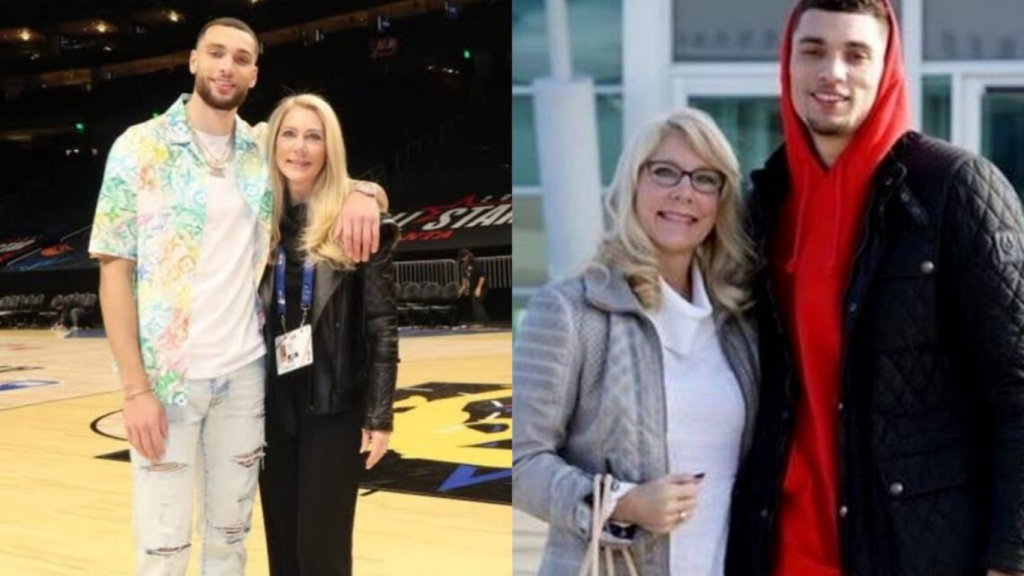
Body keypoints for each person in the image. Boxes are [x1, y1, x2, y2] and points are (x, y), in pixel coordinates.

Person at [725, 1, 1024, 575]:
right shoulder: (765, 203)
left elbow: (1017, 387)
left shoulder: (954, 189)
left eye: (855, 54)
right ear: (787, 63)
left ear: (886, 67)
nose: (831, 72)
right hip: (783, 551)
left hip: (918, 553)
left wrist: (1009, 559)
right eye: (812, 50)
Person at [88, 18, 384, 575]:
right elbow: (113, 274)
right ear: (194, 60)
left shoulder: (258, 147)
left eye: (241, 58)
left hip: (246, 379)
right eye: (216, 53)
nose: (227, 66)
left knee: (231, 539)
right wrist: (134, 389)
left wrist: (365, 191)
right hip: (169, 381)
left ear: (254, 73)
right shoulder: (139, 148)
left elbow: (320, 170)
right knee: (164, 545)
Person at [513, 108, 759, 576]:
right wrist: (622, 504)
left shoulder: (739, 325)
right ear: (632, 183)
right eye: (664, 171)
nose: (684, 192)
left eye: (705, 179)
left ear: (721, 200)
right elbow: (521, 462)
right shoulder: (570, 310)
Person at [256, 93, 398, 576]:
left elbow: (382, 327)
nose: (300, 147)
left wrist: (379, 415)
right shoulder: (255, 219)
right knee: (282, 547)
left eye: (314, 136)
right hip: (270, 406)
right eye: (290, 134)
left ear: (329, 148)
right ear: (273, 142)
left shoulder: (355, 221)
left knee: (323, 551)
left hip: (333, 406)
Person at [458, 248, 489, 326]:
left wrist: (479, 288)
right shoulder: (464, 265)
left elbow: (482, 276)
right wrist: (464, 288)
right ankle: (481, 322)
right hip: (473, 287)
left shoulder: (476, 263)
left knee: (478, 303)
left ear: (467, 256)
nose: (462, 260)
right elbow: (465, 278)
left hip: (481, 287)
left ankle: (483, 323)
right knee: (475, 305)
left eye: (463, 258)